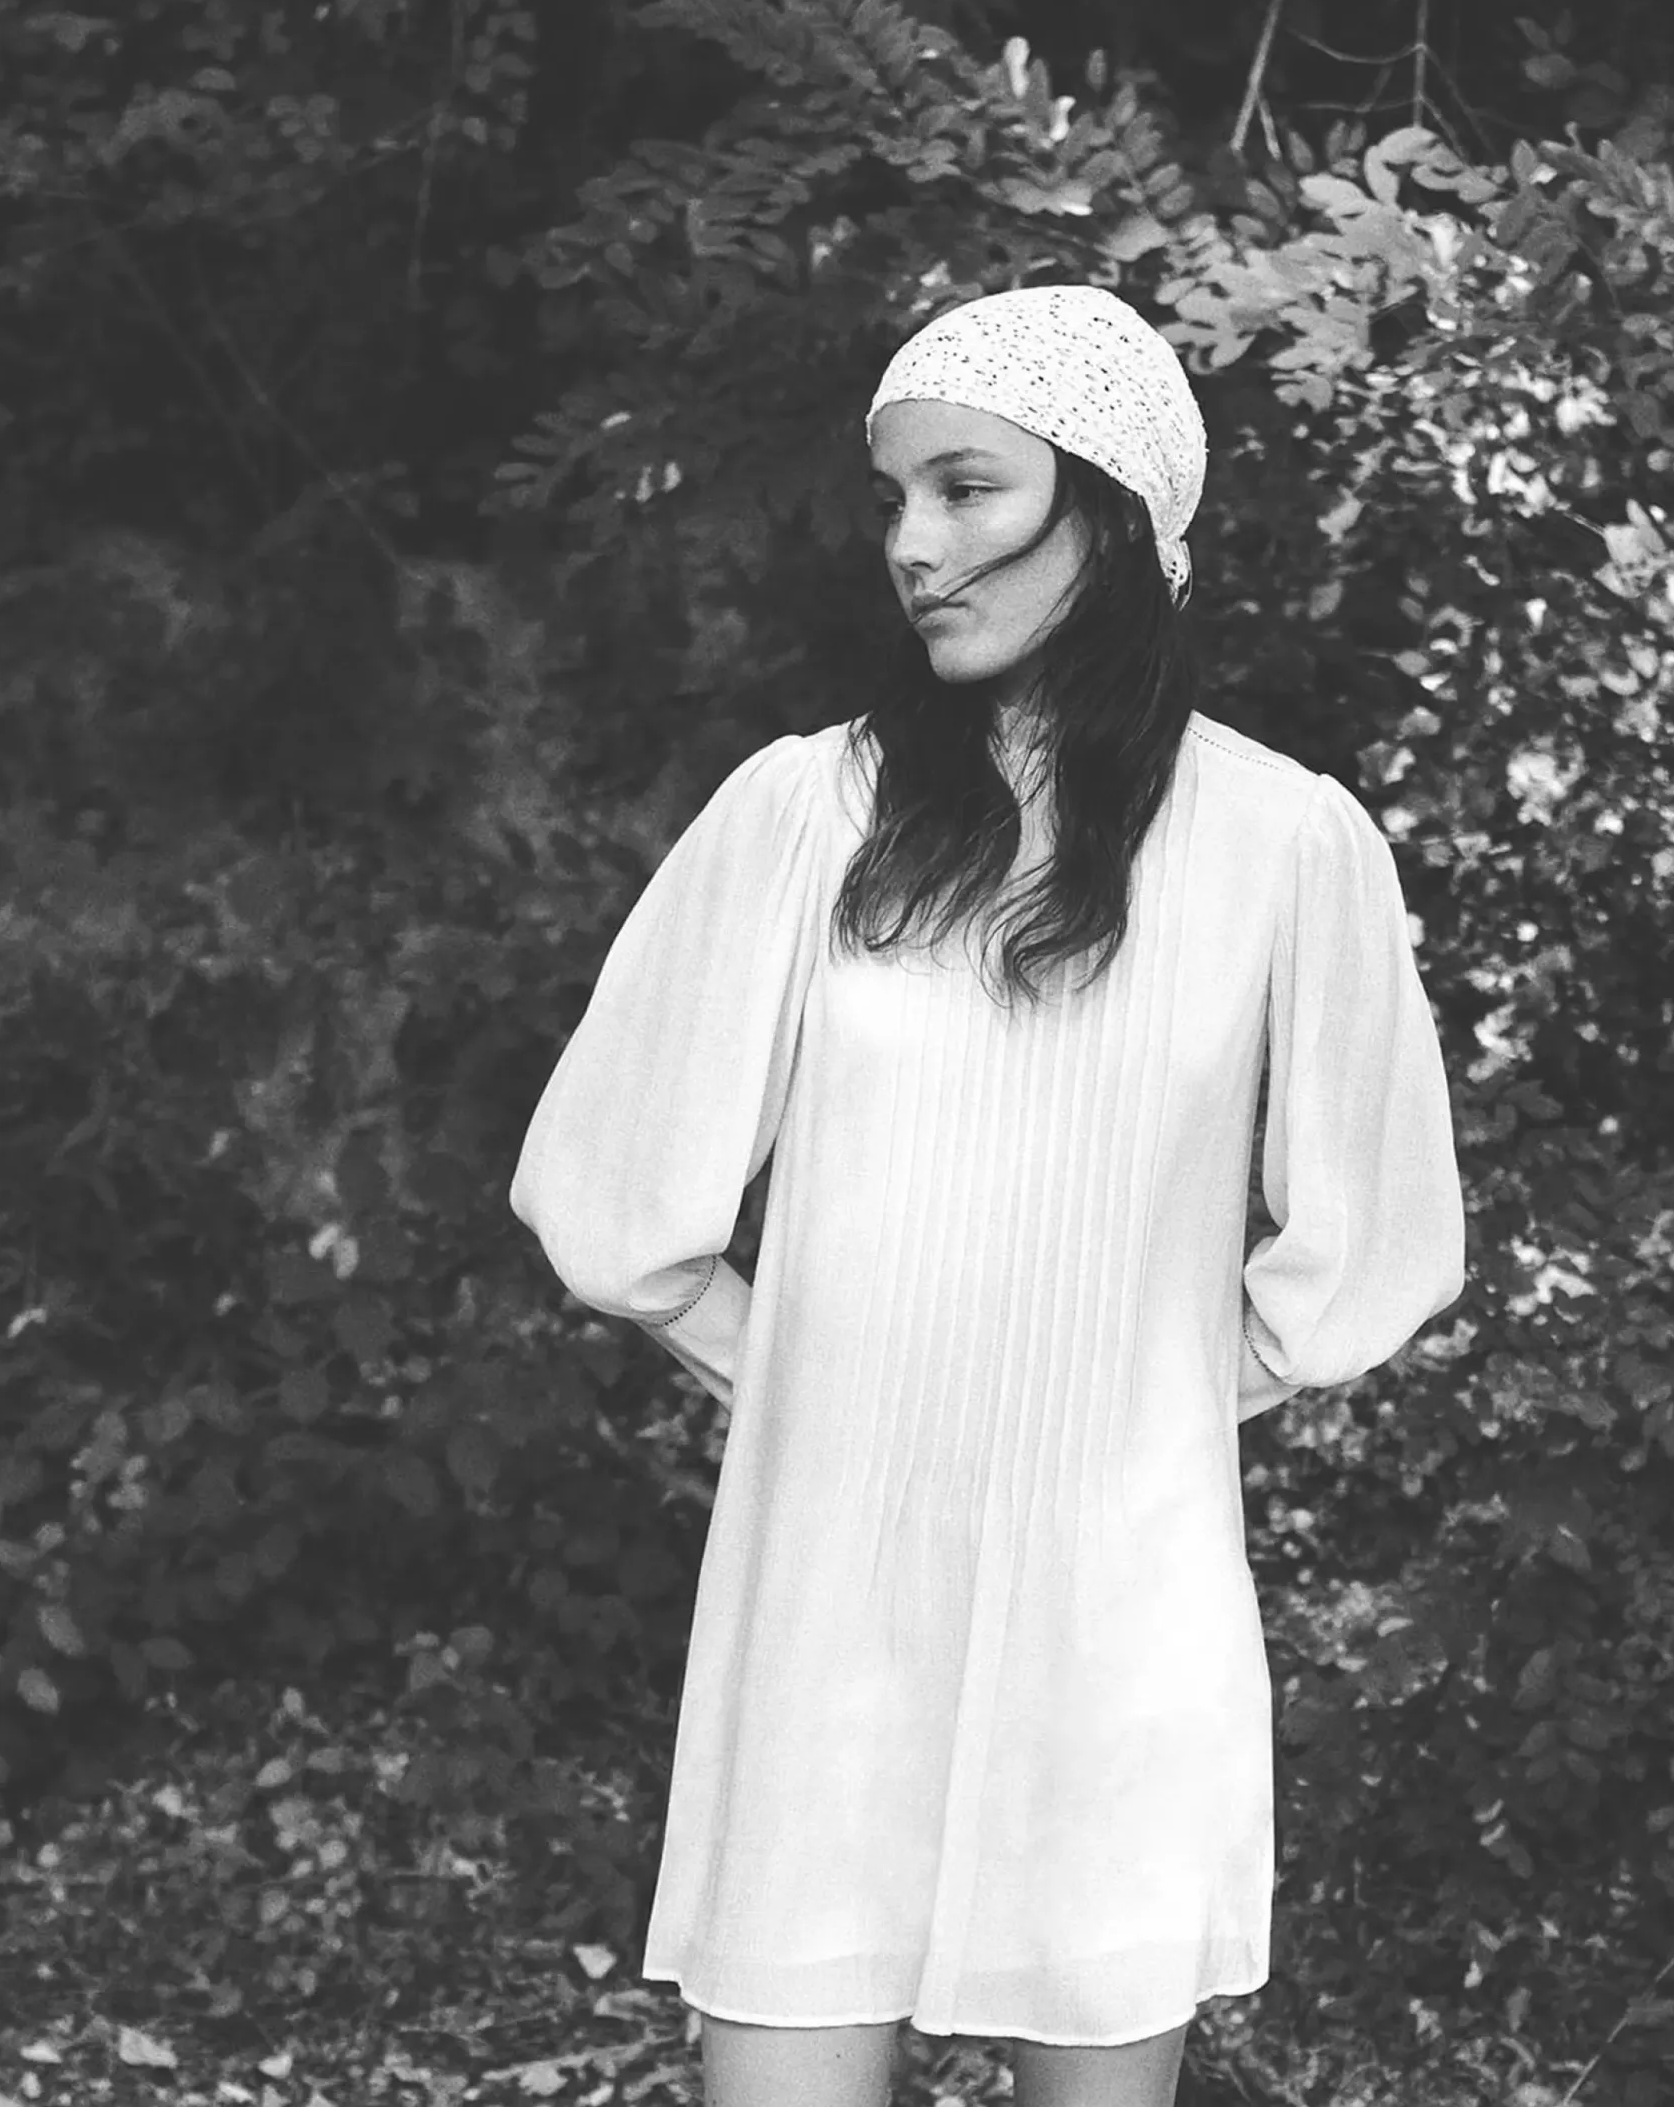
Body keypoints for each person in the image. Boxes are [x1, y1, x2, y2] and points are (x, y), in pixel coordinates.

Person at [509, 285, 1466, 2107]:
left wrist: (1159, 1398)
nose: (913, 545)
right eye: (894, 500)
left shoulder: (1285, 843)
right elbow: (615, 1191)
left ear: (1111, 510)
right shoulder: (808, 814)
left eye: (967, 489)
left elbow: (1380, 1234)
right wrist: (811, 1371)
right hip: (830, 1587)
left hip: (1119, 1607)